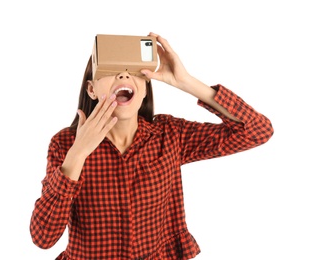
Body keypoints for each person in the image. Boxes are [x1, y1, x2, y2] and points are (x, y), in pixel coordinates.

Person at [30, 32, 274, 260]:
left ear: (145, 88)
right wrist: (78, 153)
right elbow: (43, 237)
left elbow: (257, 130)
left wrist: (185, 81)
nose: (124, 76)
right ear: (92, 90)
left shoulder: (170, 134)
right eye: (112, 70)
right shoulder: (64, 144)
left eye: (133, 72)